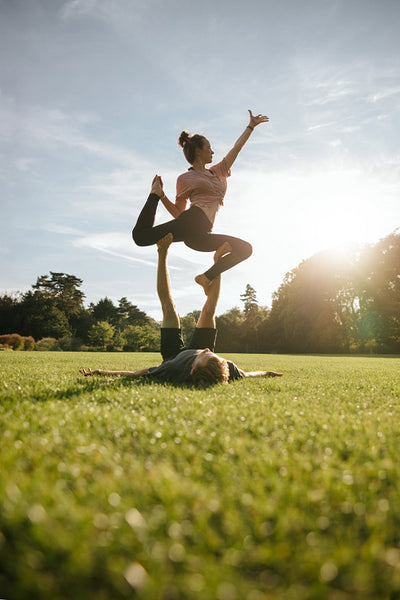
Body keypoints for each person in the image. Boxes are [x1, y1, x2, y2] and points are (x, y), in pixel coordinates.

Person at [80, 235, 282, 386]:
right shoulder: (225, 367)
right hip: (196, 361)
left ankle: (162, 253)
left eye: (205, 355)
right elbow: (249, 375)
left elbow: (135, 374)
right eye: (212, 355)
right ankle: (217, 262)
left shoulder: (171, 369)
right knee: (209, 311)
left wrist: (101, 371)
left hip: (173, 355)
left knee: (169, 308)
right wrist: (267, 373)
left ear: (193, 369)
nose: (208, 350)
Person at [132, 109, 269, 295]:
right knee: (141, 237)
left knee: (245, 249)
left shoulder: (218, 171)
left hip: (200, 235)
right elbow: (179, 213)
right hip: (192, 221)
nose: (212, 151)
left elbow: (236, 149)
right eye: (209, 148)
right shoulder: (185, 178)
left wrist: (251, 126)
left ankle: (205, 277)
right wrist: (162, 196)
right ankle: (153, 195)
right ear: (198, 151)